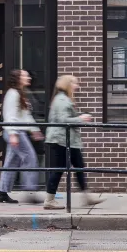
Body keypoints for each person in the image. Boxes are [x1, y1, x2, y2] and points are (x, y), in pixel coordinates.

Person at [43, 75, 105, 210]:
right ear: (68, 84)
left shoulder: (63, 99)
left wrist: (78, 117)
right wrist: (81, 118)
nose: (77, 86)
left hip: (68, 140)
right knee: (60, 169)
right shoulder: (62, 100)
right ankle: (49, 200)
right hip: (62, 140)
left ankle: (86, 197)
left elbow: (66, 118)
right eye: (75, 83)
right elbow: (63, 119)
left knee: (78, 167)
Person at [0, 69, 44, 204]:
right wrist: (13, 134)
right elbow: (9, 115)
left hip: (17, 132)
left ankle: (3, 193)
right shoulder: (13, 94)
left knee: (11, 163)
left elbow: (25, 115)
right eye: (25, 76)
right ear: (18, 78)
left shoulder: (20, 93)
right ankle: (30, 191)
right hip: (16, 132)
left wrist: (34, 130)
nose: (28, 77)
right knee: (30, 158)